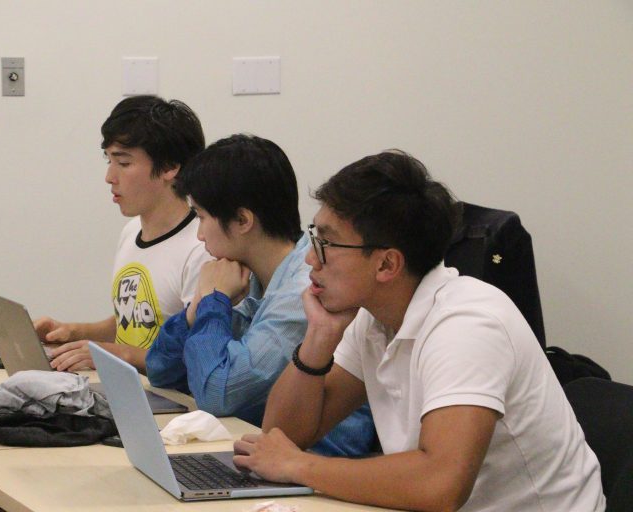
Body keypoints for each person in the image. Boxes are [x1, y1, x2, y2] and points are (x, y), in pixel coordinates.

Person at [233, 151, 605, 511]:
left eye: (325, 243)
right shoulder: (374, 317)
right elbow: (282, 437)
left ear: (386, 264)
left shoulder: (467, 325)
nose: (311, 259)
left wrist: (299, 466)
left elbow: (440, 485)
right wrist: (318, 339)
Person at [146, 134, 375, 457]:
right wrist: (195, 311)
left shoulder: (307, 288)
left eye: (201, 216)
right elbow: (160, 371)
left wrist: (214, 302)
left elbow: (217, 393)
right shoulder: (246, 276)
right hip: (263, 449)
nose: (199, 235)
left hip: (323, 461)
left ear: (242, 220)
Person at [34, 95, 211, 372]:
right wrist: (72, 332)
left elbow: (196, 356)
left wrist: (115, 356)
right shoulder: (131, 232)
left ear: (169, 167)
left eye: (124, 163)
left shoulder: (200, 248)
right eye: (109, 160)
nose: (109, 177)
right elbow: (135, 324)